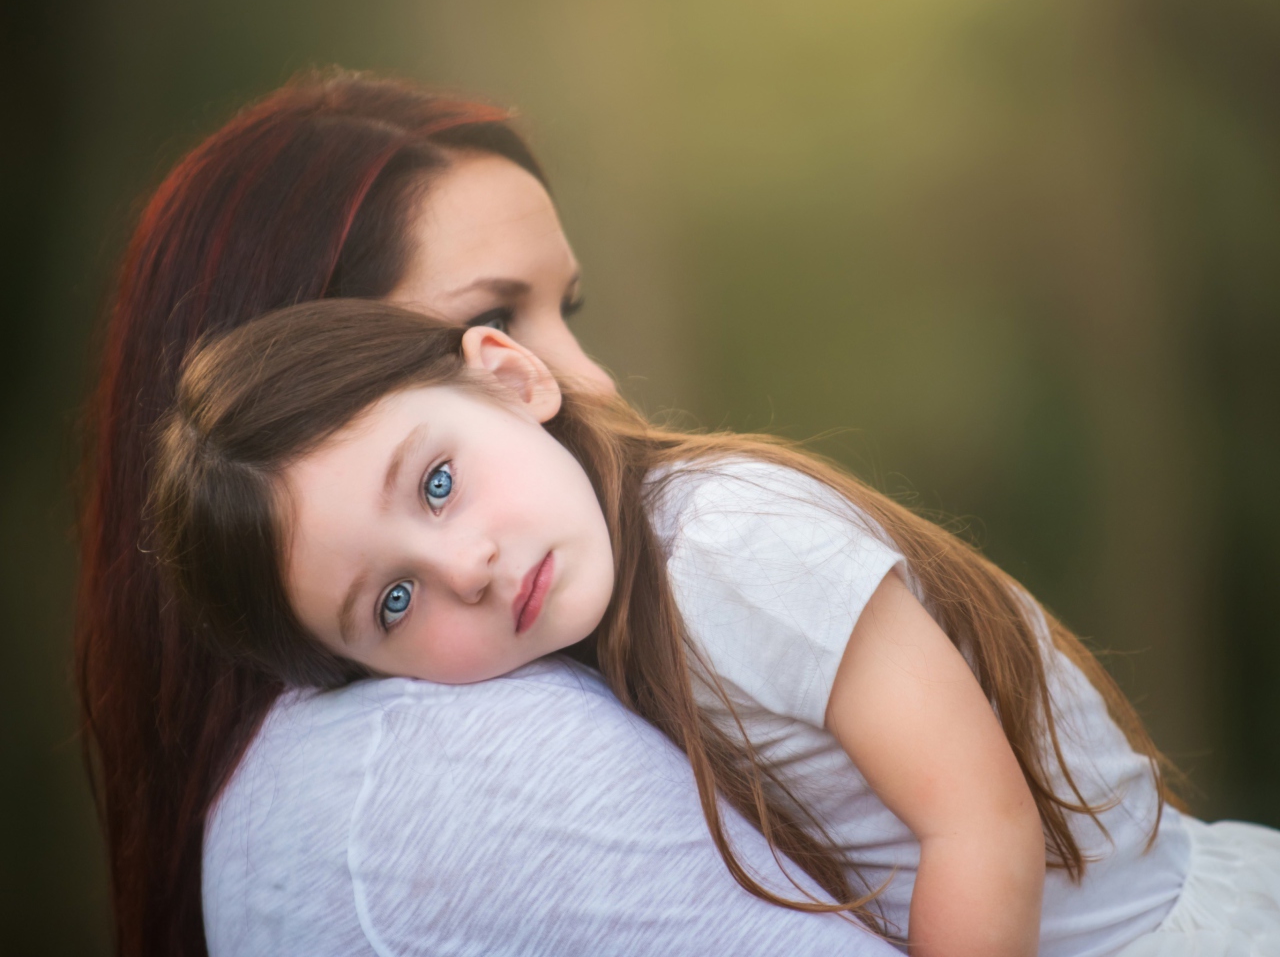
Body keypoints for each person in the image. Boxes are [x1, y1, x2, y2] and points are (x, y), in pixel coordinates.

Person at [152, 299, 1280, 957]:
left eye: (437, 482)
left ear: (508, 376)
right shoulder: (590, 612)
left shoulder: (726, 549)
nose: (468, 568)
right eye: (392, 604)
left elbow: (978, 826)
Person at [77, 69, 896, 957]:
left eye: (562, 308)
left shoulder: (709, 558)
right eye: (497, 310)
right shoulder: (458, 757)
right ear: (302, 370)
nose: (593, 384)